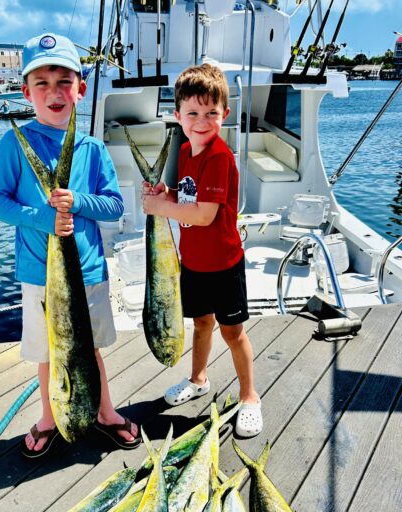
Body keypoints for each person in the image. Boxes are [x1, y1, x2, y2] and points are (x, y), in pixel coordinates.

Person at [0, 33, 141, 457]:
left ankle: (105, 412)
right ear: (26, 91)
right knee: (48, 352)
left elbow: (112, 206)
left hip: (87, 271)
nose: (54, 92)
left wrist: (78, 202)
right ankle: (49, 418)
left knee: (87, 350)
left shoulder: (92, 148)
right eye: (42, 83)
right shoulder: (14, 145)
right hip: (40, 277)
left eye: (64, 82)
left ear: (81, 89)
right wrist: (44, 219)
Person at [142, 64, 263, 437]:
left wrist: (161, 209)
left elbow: (206, 215)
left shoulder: (219, 156)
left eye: (211, 113)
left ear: (224, 114)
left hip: (224, 264)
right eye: (192, 113)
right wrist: (169, 195)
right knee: (201, 324)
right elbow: (191, 196)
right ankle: (198, 378)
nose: (202, 121)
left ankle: (249, 397)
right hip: (192, 262)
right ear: (177, 115)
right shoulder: (186, 151)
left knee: (232, 332)